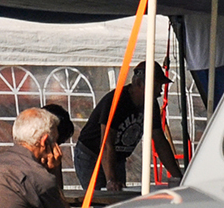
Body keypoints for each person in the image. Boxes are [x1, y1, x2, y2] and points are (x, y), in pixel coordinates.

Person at [73, 64, 178, 194]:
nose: (160, 92)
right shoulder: (116, 101)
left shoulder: (151, 105)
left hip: (115, 157)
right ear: (139, 83)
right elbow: (106, 143)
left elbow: (160, 141)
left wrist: (178, 178)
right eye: (156, 86)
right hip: (91, 156)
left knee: (118, 200)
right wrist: (111, 180)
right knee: (104, 201)